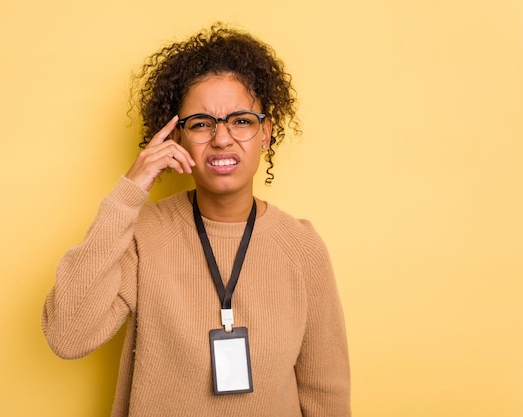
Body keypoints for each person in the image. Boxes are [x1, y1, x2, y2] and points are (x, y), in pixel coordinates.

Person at [42, 23, 351, 417]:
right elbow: (67, 336)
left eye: (241, 120)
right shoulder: (142, 234)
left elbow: (327, 393)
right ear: (177, 138)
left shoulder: (302, 245)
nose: (222, 138)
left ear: (266, 134)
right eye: (202, 123)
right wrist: (129, 191)